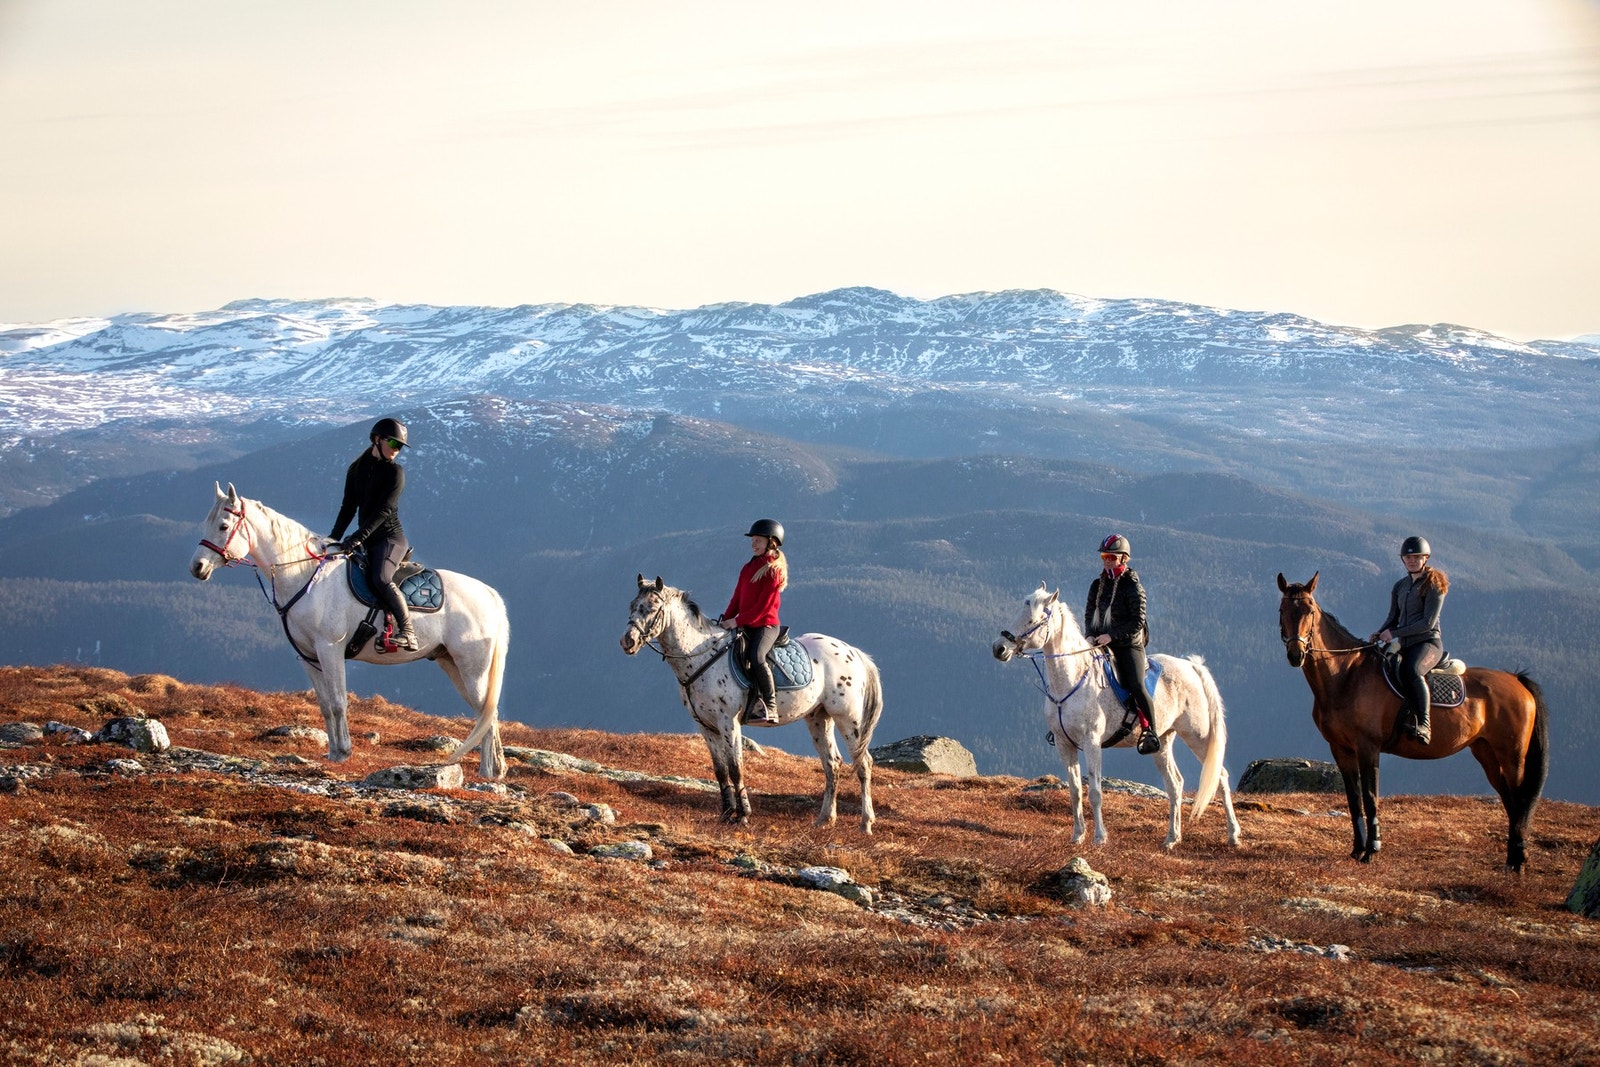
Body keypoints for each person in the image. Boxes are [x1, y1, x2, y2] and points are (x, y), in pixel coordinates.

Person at [329, 417, 418, 652]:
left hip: (390, 539)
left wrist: (358, 537)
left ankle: (408, 632)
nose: (397, 450)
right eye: (394, 443)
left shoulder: (396, 473)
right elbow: (348, 508)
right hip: (368, 539)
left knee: (381, 579)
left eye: (400, 446)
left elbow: (384, 511)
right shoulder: (356, 470)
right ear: (377, 440)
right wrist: (332, 540)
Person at [1084, 533, 1162, 755]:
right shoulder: (1096, 585)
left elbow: (1137, 621)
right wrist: (1090, 635)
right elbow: (1089, 615)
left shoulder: (1132, 585)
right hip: (1099, 642)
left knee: (1136, 684)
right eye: (1104, 557)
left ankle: (1151, 732)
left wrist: (1112, 636)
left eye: (1111, 556)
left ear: (1123, 559)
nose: (1107, 560)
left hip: (1128, 644)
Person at [1369, 535, 1448, 744]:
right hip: (1405, 643)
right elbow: (1392, 618)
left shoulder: (1434, 584)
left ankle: (1424, 723)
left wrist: (1394, 634)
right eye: (1408, 557)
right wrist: (1380, 633)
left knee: (1412, 671)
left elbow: (1427, 623)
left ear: (1426, 558)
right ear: (1403, 559)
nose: (1412, 560)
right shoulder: (1400, 586)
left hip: (1428, 643)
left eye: (1417, 557)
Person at [718, 519, 787, 726]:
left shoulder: (774, 570)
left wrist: (737, 621)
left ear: (771, 542)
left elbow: (763, 608)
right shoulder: (748, 567)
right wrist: (726, 618)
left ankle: (771, 705)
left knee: (757, 657)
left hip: (766, 625)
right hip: (745, 623)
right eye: (753, 540)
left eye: (758, 541)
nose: (754, 544)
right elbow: (737, 598)